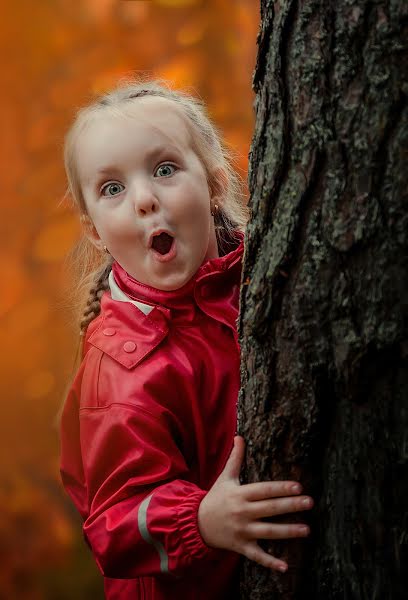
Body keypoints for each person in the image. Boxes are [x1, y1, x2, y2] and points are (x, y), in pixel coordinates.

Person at [59, 79, 314, 600]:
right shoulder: (124, 372)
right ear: (94, 231)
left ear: (216, 182)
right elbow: (113, 524)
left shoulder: (262, 270)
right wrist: (199, 520)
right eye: (113, 189)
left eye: (165, 169)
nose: (146, 200)